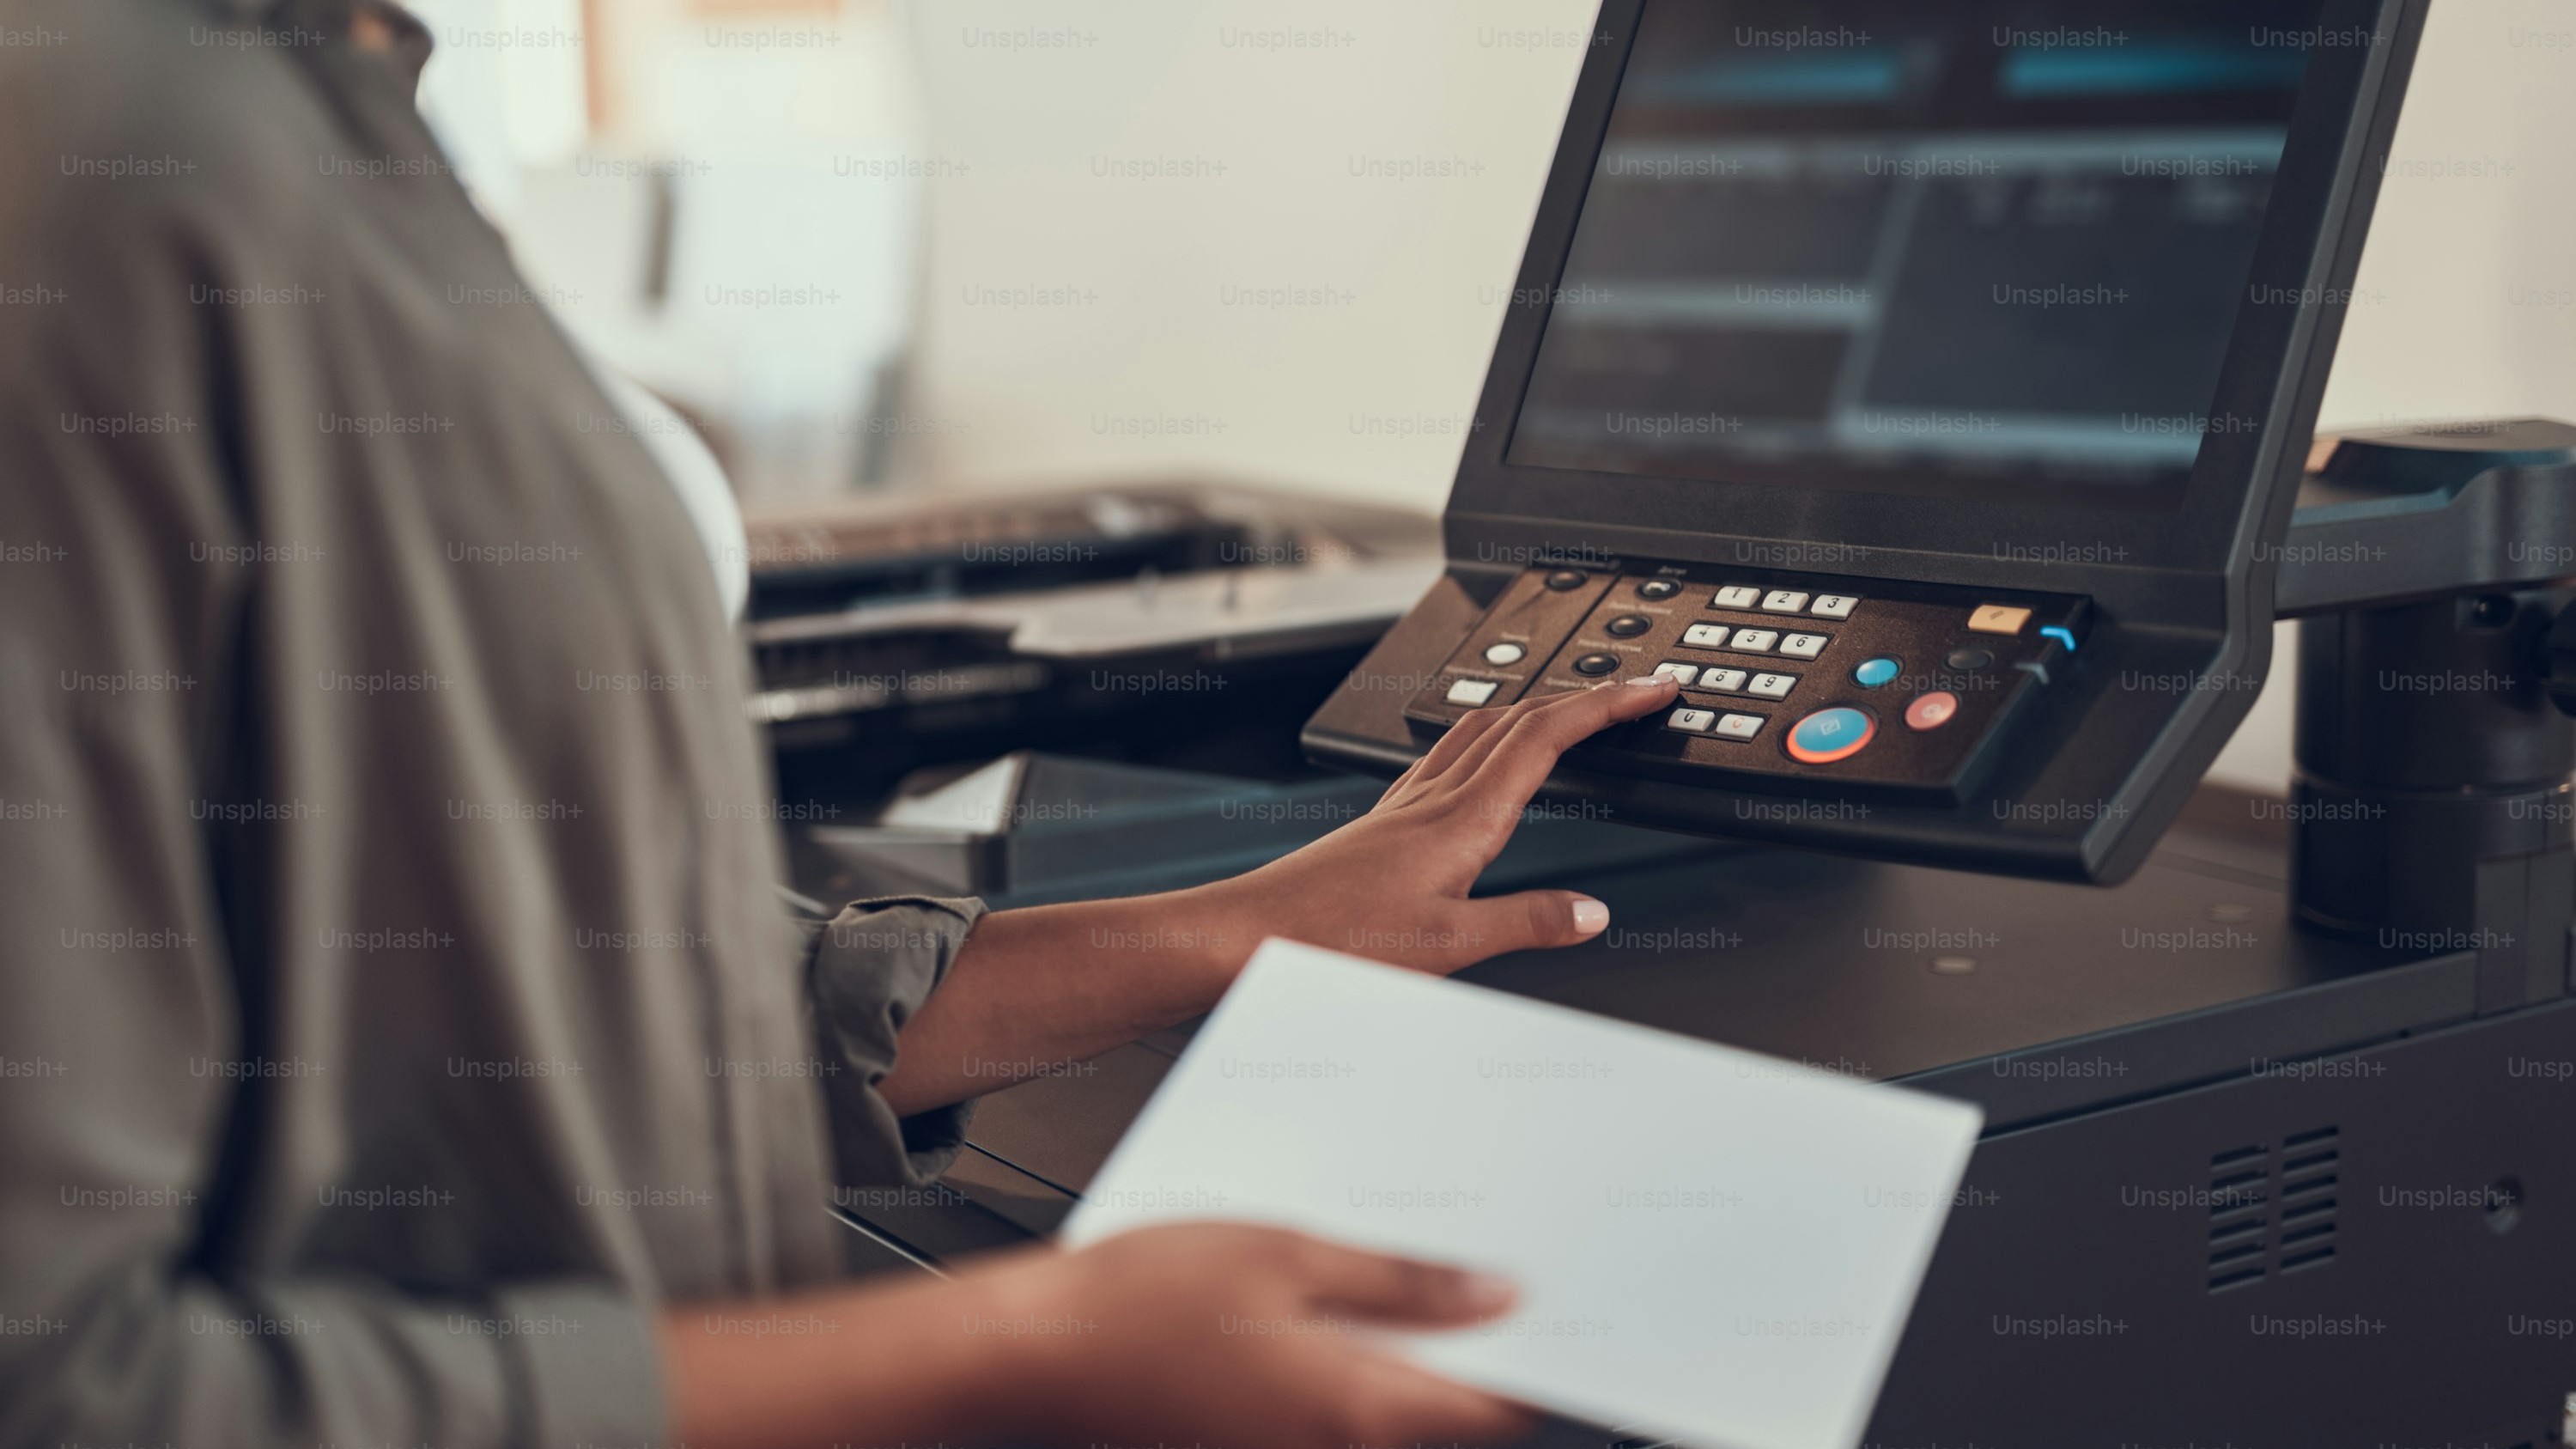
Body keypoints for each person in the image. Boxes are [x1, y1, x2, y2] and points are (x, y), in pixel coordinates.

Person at [0, 1, 1684, 1445]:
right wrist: (1017, 1344)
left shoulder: (331, 101)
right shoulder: (99, 156)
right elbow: (67, 1388)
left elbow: (559, 1000)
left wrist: (1232, 931)